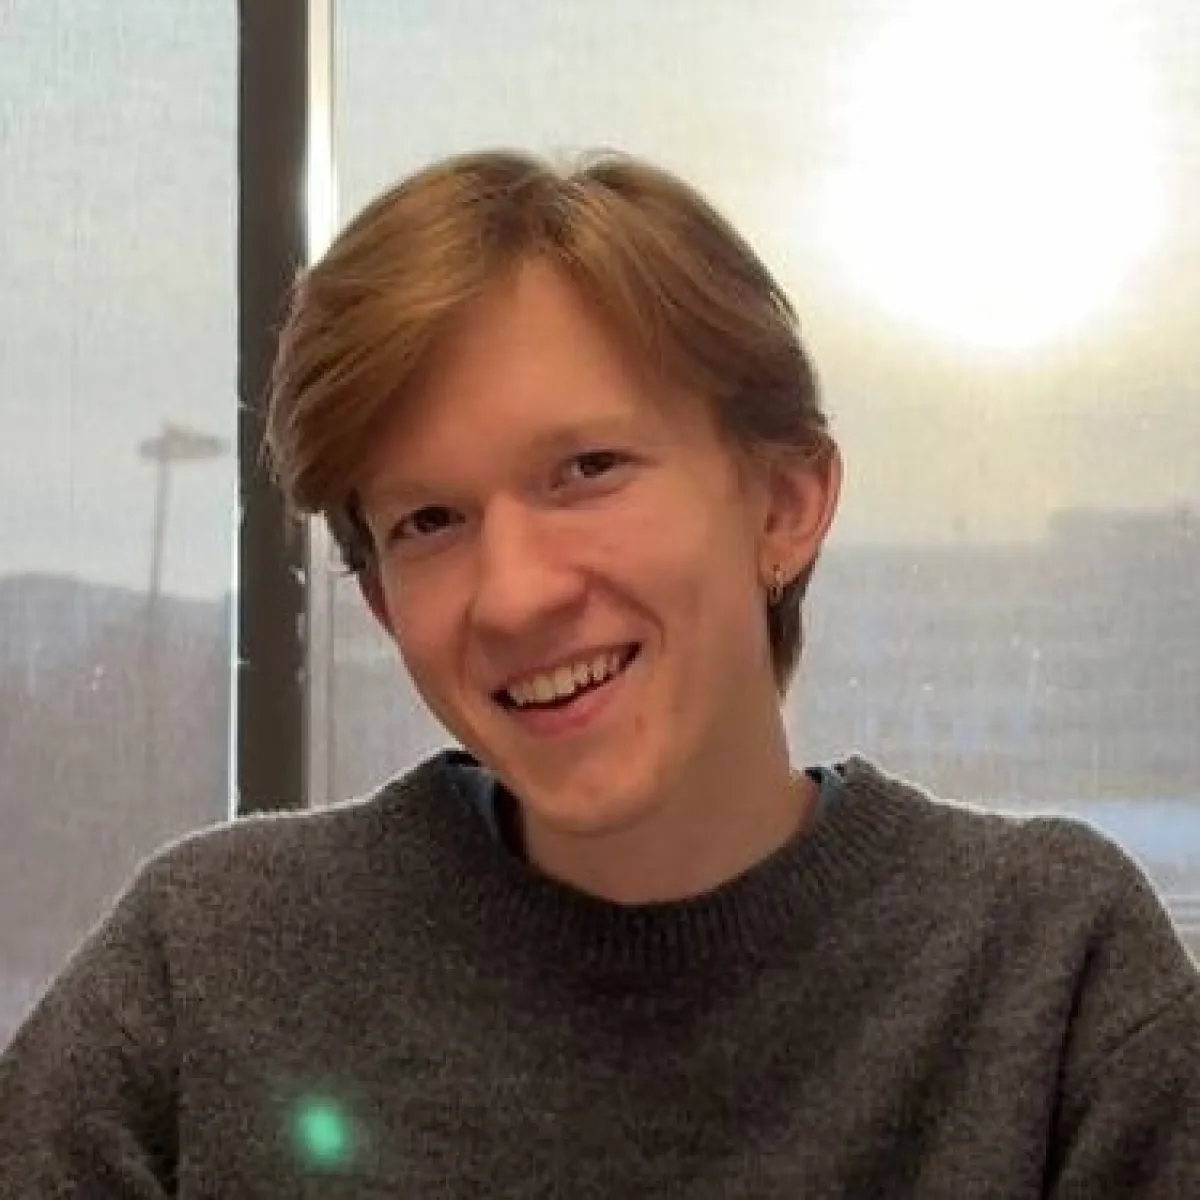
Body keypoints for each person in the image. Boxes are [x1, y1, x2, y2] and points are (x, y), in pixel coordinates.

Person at [1, 149, 1197, 1197]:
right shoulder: (210, 966)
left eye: (587, 470)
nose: (515, 595)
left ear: (785, 502)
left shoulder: (1051, 978)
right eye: (429, 521)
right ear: (382, 606)